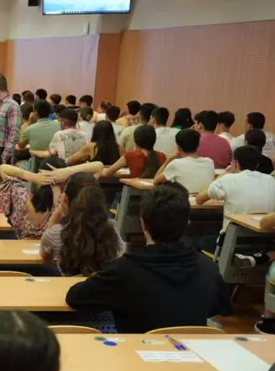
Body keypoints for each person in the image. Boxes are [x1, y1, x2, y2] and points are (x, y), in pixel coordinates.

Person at [66, 182, 232, 333]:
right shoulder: (208, 268)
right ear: (187, 223)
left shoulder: (123, 270)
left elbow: (75, 298)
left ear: (143, 224)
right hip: (193, 359)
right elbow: (219, 307)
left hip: (135, 359)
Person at [40, 173, 124, 276]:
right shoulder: (112, 231)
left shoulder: (56, 233)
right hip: (105, 289)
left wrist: (59, 211)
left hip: (69, 290)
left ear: (65, 199)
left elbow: (45, 254)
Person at [197, 146, 275, 232]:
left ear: (235, 163)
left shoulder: (227, 179)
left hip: (233, 240)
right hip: (266, 240)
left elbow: (199, 199)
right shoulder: (270, 179)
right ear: (257, 164)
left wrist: (221, 176)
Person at [154, 128, 216, 193]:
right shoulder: (209, 162)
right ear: (197, 145)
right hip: (204, 201)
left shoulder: (176, 164)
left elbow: (155, 181)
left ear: (178, 148)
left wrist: (168, 160)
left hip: (182, 201)